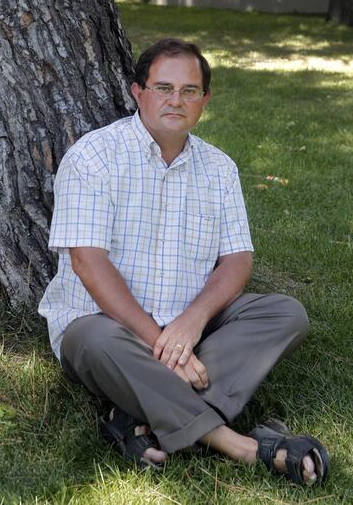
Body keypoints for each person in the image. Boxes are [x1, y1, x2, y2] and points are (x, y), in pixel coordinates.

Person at [39, 38, 329, 485]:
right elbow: (87, 263)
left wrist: (192, 323)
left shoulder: (219, 169)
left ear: (204, 100)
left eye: (190, 91)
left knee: (284, 313)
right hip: (106, 327)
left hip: (188, 325)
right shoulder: (93, 157)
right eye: (163, 87)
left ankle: (138, 417)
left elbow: (237, 259)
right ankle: (241, 445)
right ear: (138, 92)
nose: (176, 100)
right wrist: (162, 344)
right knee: (94, 339)